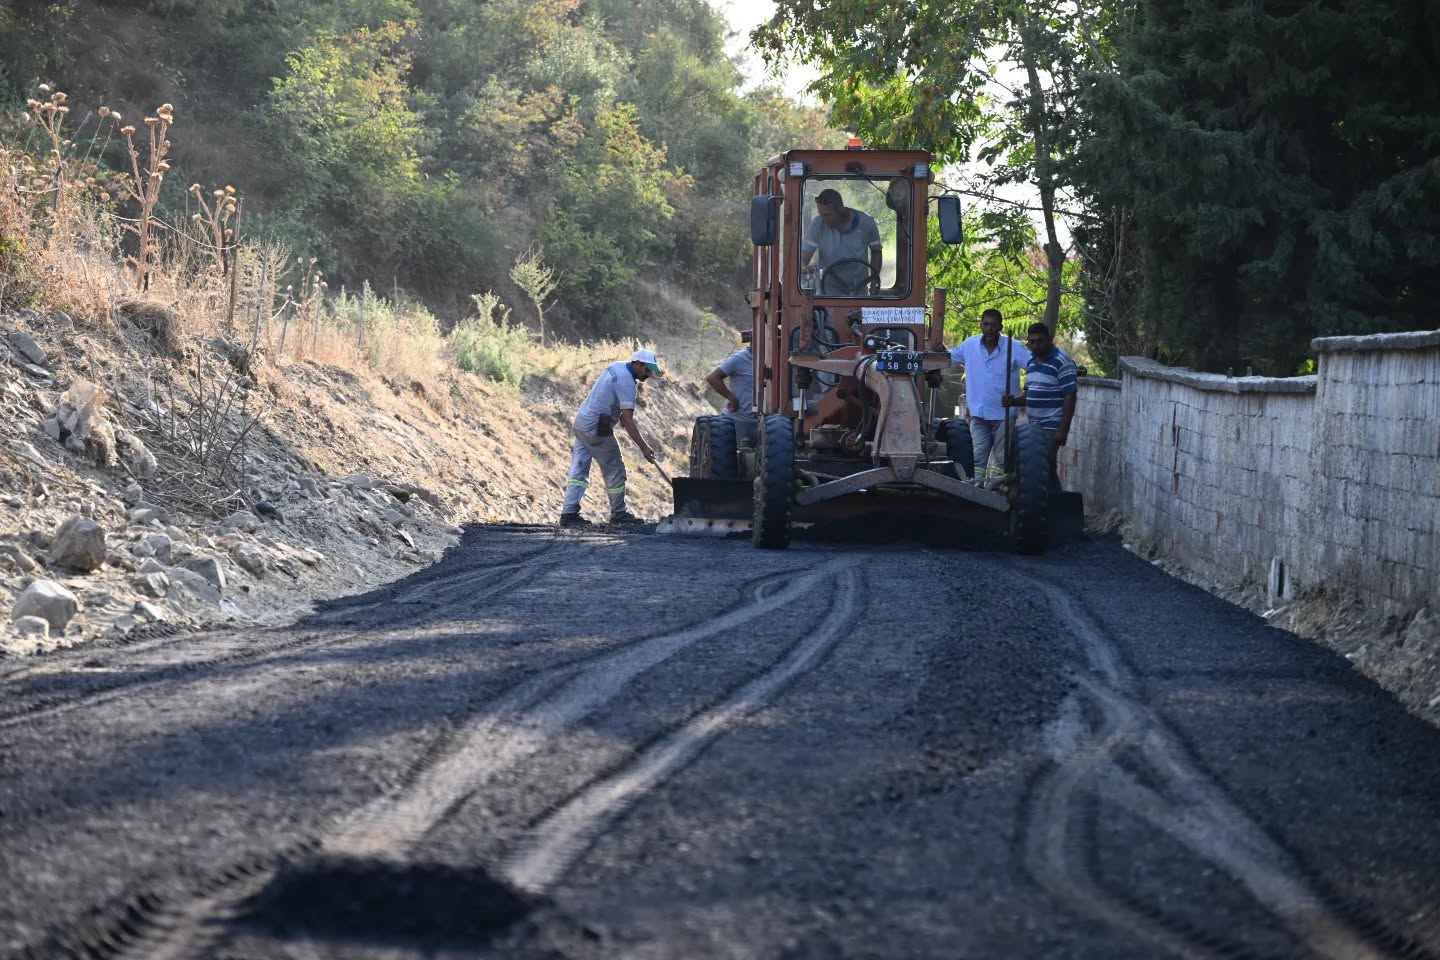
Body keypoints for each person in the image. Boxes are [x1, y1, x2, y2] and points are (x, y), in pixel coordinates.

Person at [559, 349, 662, 527]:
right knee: (615, 468)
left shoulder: (616, 366)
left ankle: (568, 514)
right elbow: (628, 422)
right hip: (597, 427)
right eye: (647, 370)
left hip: (582, 421)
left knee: (579, 469)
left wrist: (620, 417)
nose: (649, 374)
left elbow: (621, 414)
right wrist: (644, 448)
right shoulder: (628, 383)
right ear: (637, 363)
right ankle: (619, 514)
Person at [948, 309, 1030, 479]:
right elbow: (947, 358)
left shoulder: (1013, 347)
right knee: (978, 460)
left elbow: (1035, 366)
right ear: (981, 325)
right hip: (979, 415)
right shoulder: (970, 345)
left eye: (993, 325)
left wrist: (1025, 392)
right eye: (986, 324)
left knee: (1000, 461)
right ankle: (978, 492)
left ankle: (996, 493)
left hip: (1004, 416)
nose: (989, 328)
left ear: (1000, 326)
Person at [1003, 323, 1078, 493]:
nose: (1036, 345)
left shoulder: (1061, 361)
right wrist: (1013, 401)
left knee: (1045, 465)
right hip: (1033, 426)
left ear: (1049, 340)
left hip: (1052, 424)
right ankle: (1053, 503)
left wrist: (1062, 430)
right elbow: (1029, 395)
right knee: (1040, 467)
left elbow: (1070, 396)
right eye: (1032, 342)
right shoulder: (1031, 362)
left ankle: (1056, 505)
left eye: (1040, 341)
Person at [800, 188, 882, 295]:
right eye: (821, 214)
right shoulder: (817, 224)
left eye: (827, 215)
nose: (823, 219)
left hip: (860, 292)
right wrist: (804, 267)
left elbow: (876, 251)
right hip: (827, 293)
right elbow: (803, 258)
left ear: (840, 210)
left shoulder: (867, 223)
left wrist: (874, 280)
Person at [704, 330, 756, 445]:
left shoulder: (775, 360)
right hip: (738, 422)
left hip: (766, 425)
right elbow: (713, 378)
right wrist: (731, 397)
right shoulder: (740, 358)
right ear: (753, 340)